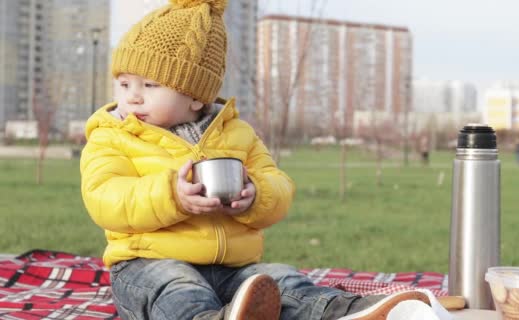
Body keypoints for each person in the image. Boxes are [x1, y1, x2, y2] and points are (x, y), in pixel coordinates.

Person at [80, 1, 430, 319]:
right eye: (124, 85)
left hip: (232, 267)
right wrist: (171, 195)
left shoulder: (237, 133)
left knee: (280, 280)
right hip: (148, 263)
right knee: (175, 289)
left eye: (150, 85)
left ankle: (348, 312)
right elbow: (105, 197)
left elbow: (279, 186)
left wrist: (255, 194)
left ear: (196, 97)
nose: (133, 98)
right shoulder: (112, 135)